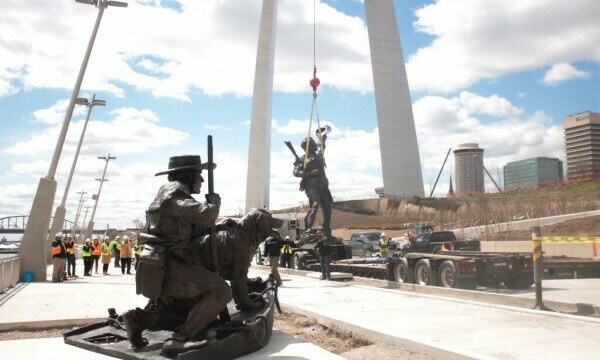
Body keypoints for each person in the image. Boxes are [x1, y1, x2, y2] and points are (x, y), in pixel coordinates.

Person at [121, 154, 231, 355]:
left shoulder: (166, 196)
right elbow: (206, 214)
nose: (202, 180)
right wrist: (214, 205)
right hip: (169, 263)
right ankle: (180, 338)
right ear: (188, 176)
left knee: (185, 312)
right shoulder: (175, 195)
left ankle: (139, 319)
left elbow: (185, 231)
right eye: (199, 174)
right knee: (222, 290)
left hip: (160, 261)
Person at [292, 136, 333, 239]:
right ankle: (308, 230)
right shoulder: (303, 159)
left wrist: (322, 139)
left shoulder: (319, 155)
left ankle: (327, 232)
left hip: (323, 185)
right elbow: (296, 172)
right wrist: (309, 173)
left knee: (327, 208)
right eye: (313, 143)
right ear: (308, 146)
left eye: (315, 142)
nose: (315, 144)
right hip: (312, 186)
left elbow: (322, 147)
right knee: (315, 205)